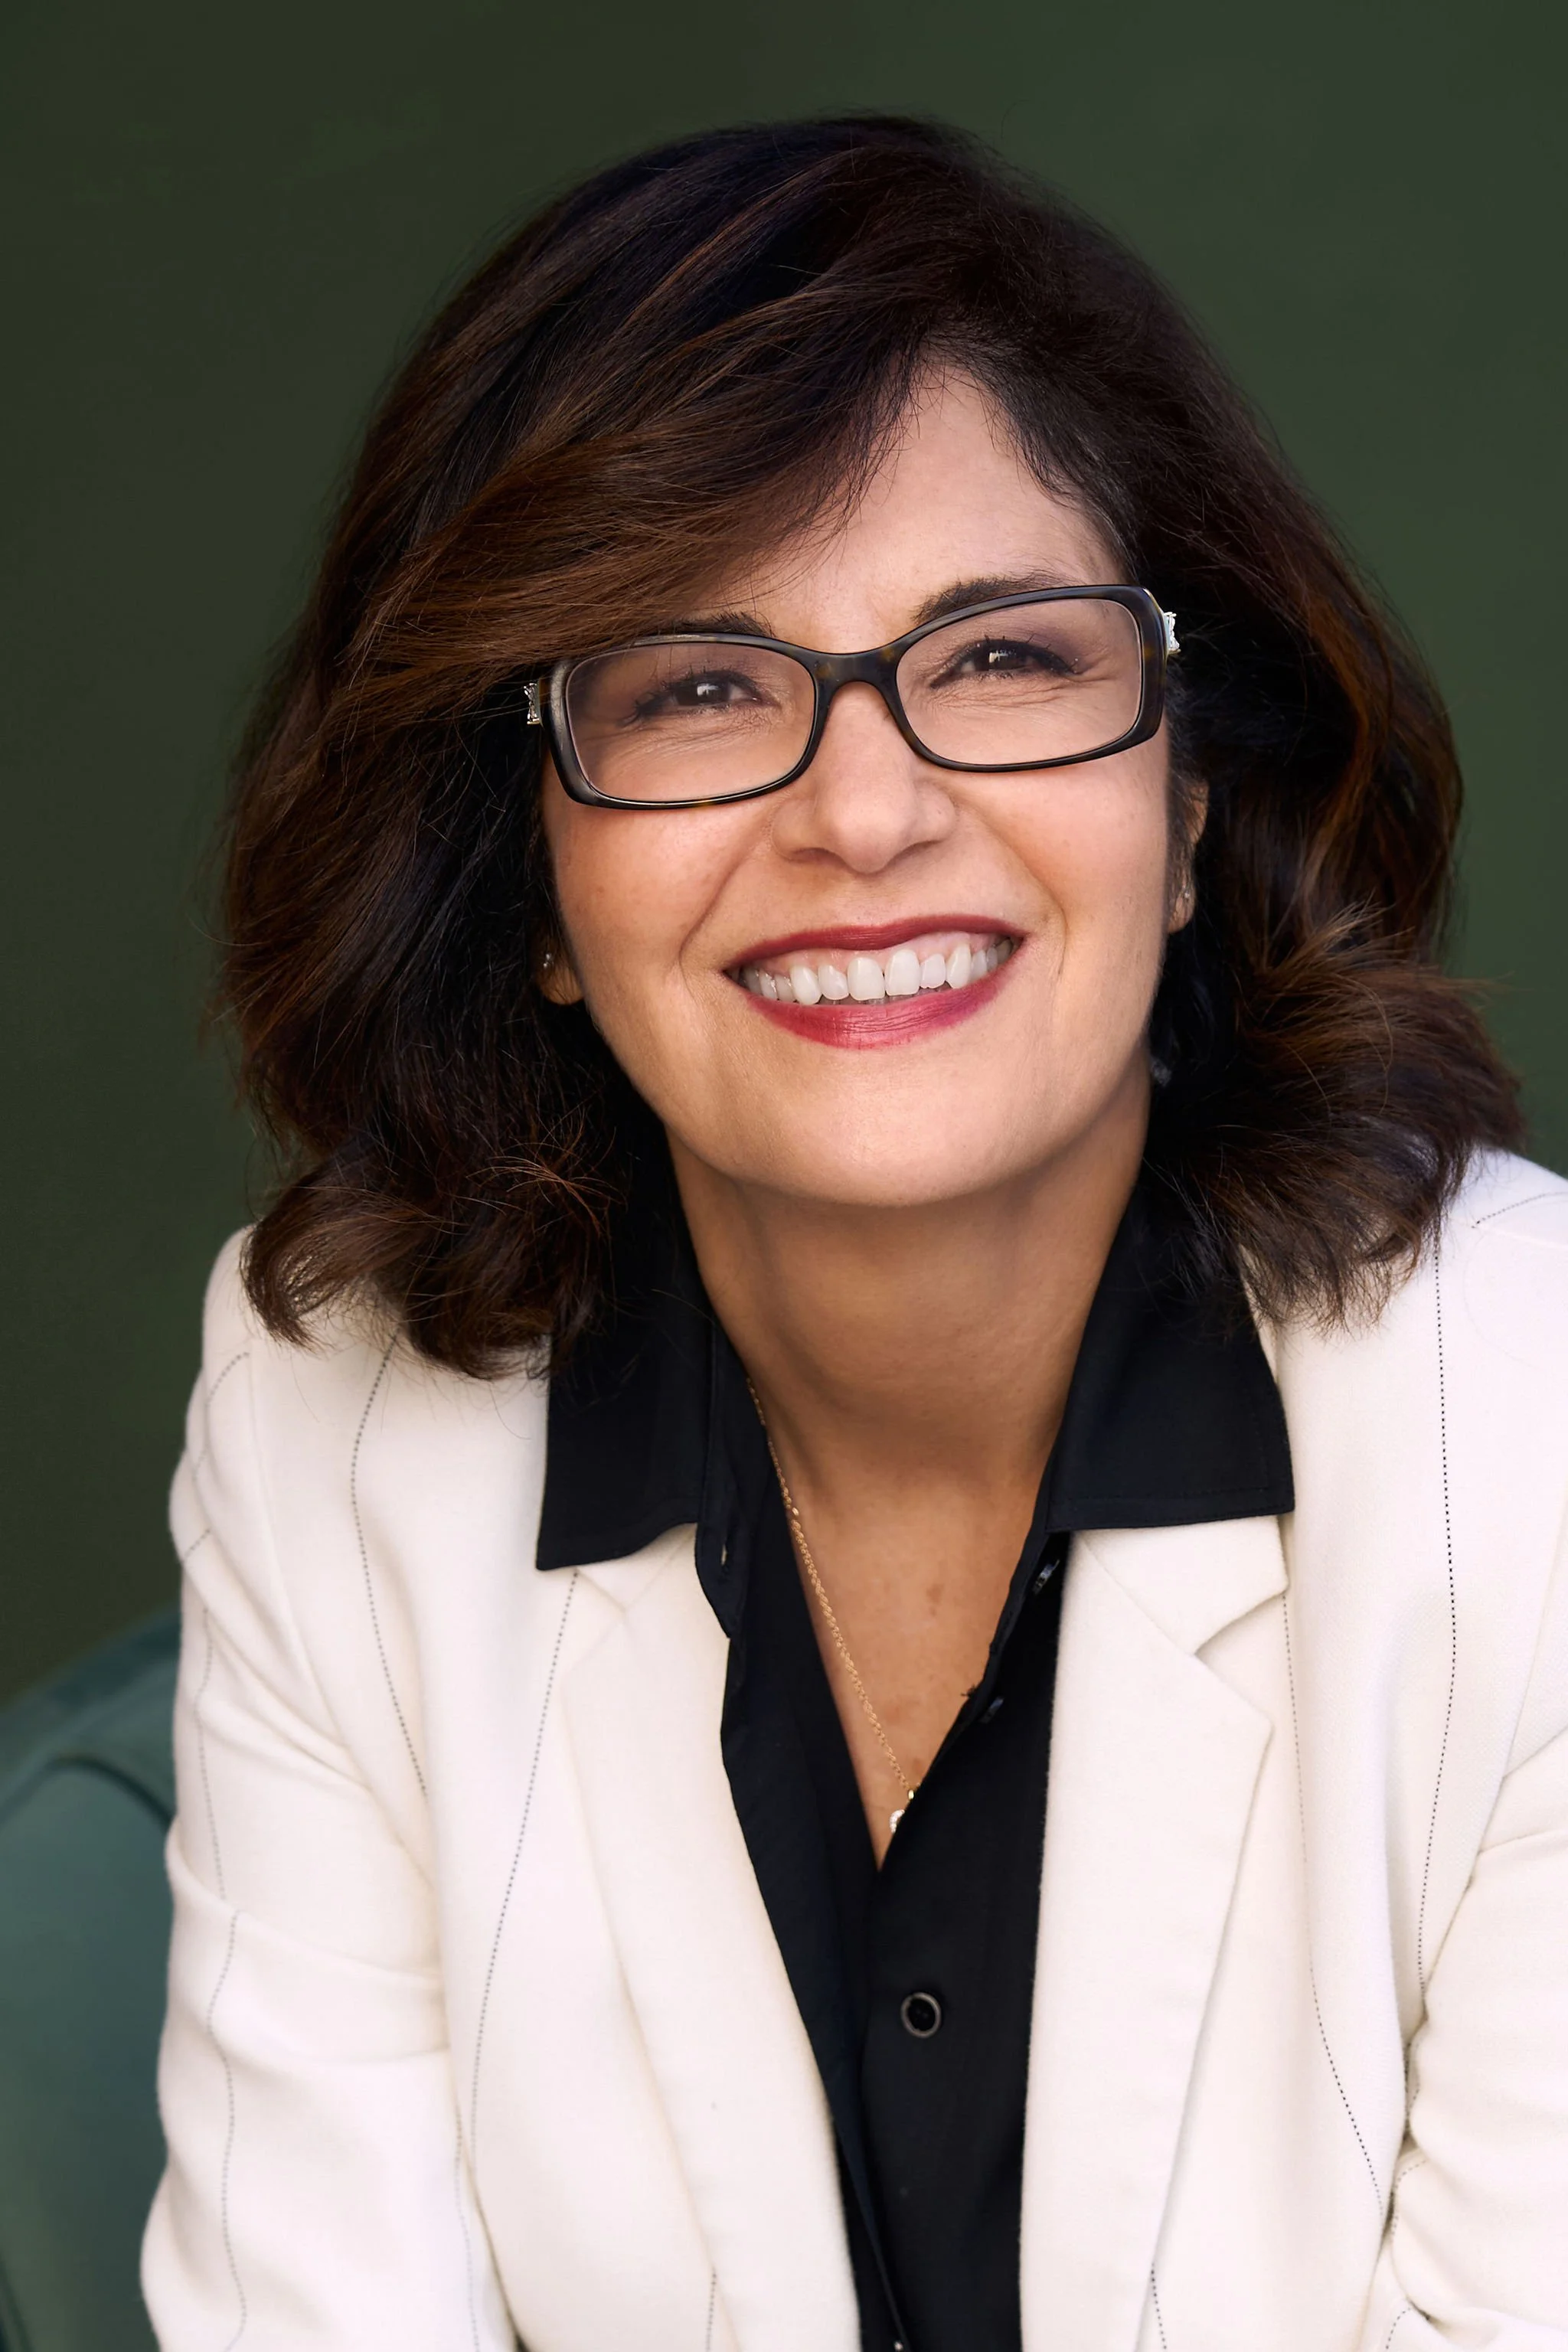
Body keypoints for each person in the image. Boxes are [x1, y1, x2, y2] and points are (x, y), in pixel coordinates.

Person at [143, 117, 1568, 2352]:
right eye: (697, 686)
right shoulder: (327, 1417)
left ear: (1189, 796)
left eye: (1000, 658)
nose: (867, 811)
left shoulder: (1532, 1433)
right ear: (530, 886)